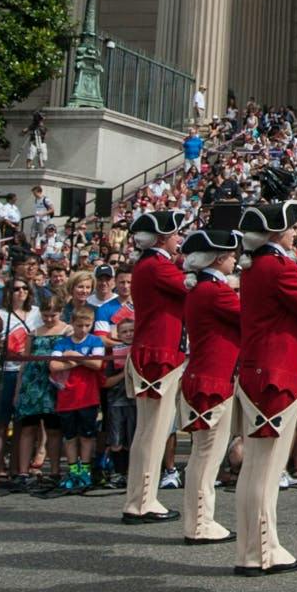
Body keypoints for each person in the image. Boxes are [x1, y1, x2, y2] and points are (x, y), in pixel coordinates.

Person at [232, 182, 297, 573]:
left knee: (258, 466)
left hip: (259, 367)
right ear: (275, 232)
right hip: (276, 372)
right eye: (289, 227)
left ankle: (258, 545)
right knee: (267, 469)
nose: (294, 232)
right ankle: (258, 551)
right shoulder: (278, 266)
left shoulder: (257, 266)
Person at [117, 209, 189, 524]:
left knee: (150, 431)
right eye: (174, 235)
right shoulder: (158, 267)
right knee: (153, 432)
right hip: (158, 354)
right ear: (162, 237)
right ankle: (142, 501)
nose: (179, 239)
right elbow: (192, 286)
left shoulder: (152, 265)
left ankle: (141, 497)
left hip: (155, 351)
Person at [175, 217, 243, 546]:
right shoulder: (215, 292)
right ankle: (200, 522)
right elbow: (251, 316)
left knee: (205, 455)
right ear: (218, 258)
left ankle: (199, 520)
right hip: (211, 381)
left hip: (206, 376)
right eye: (231, 256)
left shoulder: (204, 289)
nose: (235, 261)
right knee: (206, 457)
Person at [49, 301, 111, 491]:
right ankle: (73, 469)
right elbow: (54, 366)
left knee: (86, 435)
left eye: (87, 325)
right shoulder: (62, 342)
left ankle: (85, 469)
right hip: (66, 396)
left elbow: (97, 364)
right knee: (70, 436)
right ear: (72, 323)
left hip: (88, 396)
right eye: (79, 325)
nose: (83, 329)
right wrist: (81, 360)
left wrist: (73, 356)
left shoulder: (96, 341)